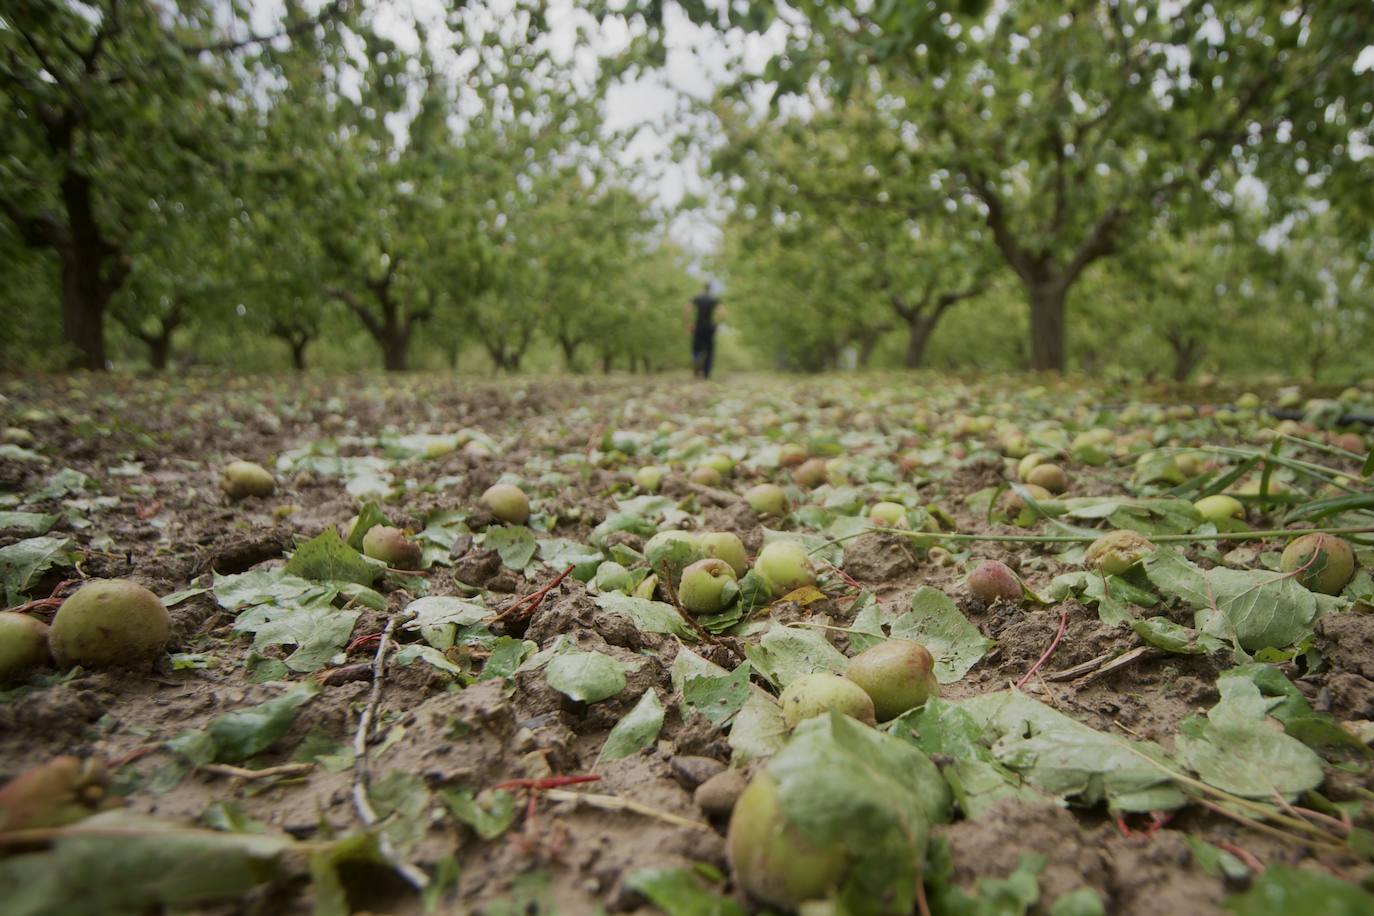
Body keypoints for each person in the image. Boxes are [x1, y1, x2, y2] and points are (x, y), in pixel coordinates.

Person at [685, 282, 724, 379]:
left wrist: (688, 323)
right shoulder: (714, 299)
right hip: (710, 327)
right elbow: (722, 311)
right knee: (709, 350)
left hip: (698, 326)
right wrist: (718, 324)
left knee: (696, 348)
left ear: (703, 288)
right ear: (710, 289)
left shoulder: (697, 298)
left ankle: (697, 358)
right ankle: (706, 372)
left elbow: (687, 308)